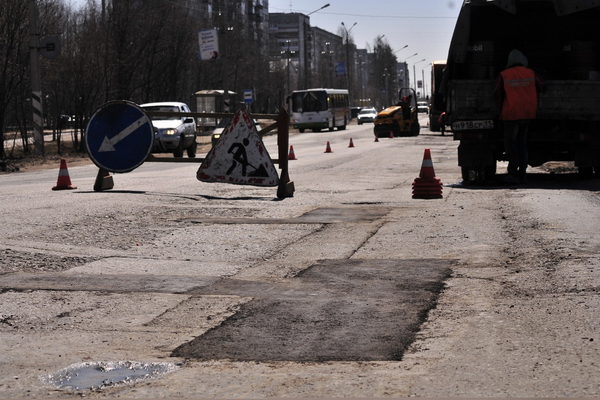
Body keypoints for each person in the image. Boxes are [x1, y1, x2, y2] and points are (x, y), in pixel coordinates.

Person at [494, 49, 545, 183]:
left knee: (511, 145)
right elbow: (542, 86)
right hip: (527, 114)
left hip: (511, 115)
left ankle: (513, 173)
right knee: (522, 143)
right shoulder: (531, 73)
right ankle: (523, 174)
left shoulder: (504, 75)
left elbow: (497, 92)